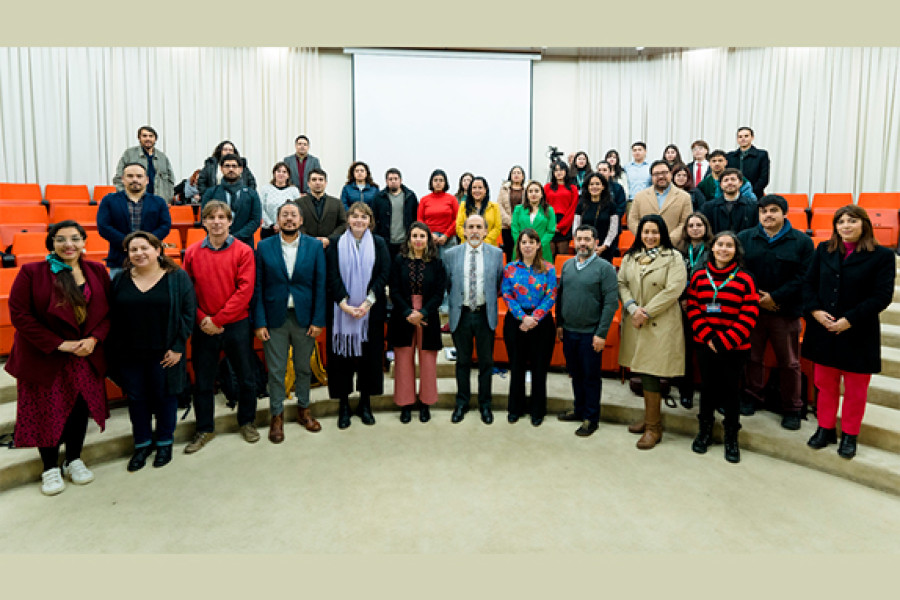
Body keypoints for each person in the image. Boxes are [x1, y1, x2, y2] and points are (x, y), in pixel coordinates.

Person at [6, 221, 111, 495]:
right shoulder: (32, 272)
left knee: (78, 409)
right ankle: (50, 467)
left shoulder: (97, 271)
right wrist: (59, 344)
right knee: (47, 412)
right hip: (47, 355)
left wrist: (94, 339)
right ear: (51, 243)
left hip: (84, 354)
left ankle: (74, 459)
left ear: (84, 241)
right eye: (61, 239)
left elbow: (109, 313)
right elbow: (20, 315)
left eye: (75, 238)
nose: (69, 244)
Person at [802, 205, 895, 459]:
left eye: (851, 221)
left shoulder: (882, 256)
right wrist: (815, 312)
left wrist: (849, 320)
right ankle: (825, 428)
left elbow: (881, 296)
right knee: (824, 384)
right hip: (824, 329)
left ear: (864, 224)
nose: (845, 226)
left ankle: (850, 435)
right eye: (840, 221)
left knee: (855, 390)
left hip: (858, 332)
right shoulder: (824, 250)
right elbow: (808, 284)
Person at [108, 231, 195, 471]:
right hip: (130, 353)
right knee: (137, 400)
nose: (139, 253)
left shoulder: (177, 278)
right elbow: (112, 316)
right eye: (133, 249)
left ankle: (165, 442)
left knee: (165, 397)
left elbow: (187, 315)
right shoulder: (119, 279)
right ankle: (142, 444)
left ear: (157, 250)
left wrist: (178, 347)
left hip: (165, 353)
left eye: (144, 248)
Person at [182, 201, 257, 453]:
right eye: (211, 217)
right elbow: (187, 292)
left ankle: (247, 422)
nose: (216, 222)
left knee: (246, 378)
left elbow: (244, 291)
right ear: (203, 222)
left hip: (235, 324)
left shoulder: (244, 251)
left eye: (221, 217)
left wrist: (218, 320)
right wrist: (204, 318)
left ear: (230, 221)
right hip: (203, 326)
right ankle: (204, 429)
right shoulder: (191, 252)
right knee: (203, 381)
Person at [252, 201, 326, 443]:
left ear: (301, 220)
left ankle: (304, 411)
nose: (289, 219)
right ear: (278, 220)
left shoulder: (314, 246)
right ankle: (277, 416)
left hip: (305, 319)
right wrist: (260, 322)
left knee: (304, 368)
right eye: (285, 215)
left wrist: (318, 320)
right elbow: (258, 287)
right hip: (275, 319)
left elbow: (320, 285)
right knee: (276, 371)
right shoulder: (263, 247)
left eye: (294, 215)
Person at [738, 195, 814, 427]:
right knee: (753, 357)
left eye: (773, 210)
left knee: (789, 362)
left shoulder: (801, 241)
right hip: (753, 309)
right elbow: (739, 270)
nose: (768, 215)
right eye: (763, 211)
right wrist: (758, 298)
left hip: (785, 311)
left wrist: (775, 297)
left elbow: (804, 276)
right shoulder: (745, 237)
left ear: (784, 213)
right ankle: (752, 397)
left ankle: (792, 407)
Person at [685, 231, 759, 463]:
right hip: (705, 344)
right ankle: (704, 432)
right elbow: (693, 307)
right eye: (720, 245)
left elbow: (750, 312)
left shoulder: (745, 278)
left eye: (729, 246)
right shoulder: (698, 276)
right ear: (712, 248)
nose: (724, 249)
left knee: (731, 393)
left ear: (736, 250)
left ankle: (731, 438)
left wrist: (725, 340)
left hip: (734, 347)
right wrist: (709, 337)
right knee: (707, 390)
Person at [618, 215, 687, 450]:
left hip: (660, 321)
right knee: (645, 371)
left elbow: (674, 289)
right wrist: (632, 308)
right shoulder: (631, 256)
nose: (650, 236)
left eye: (654, 232)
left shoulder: (674, 257)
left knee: (653, 372)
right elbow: (622, 284)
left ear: (663, 233)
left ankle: (654, 428)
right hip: (637, 320)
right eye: (646, 232)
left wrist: (645, 312)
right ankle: (649, 419)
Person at [326, 202, 390, 429]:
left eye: (364, 217)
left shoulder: (379, 243)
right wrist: (344, 304)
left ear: (370, 220)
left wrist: (368, 302)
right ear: (348, 220)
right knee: (341, 361)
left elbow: (384, 273)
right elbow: (331, 275)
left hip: (370, 312)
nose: (359, 221)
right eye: (355, 216)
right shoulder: (334, 243)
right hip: (341, 312)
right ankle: (343, 406)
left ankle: (365, 404)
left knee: (368, 360)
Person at [556, 225, 619, 436]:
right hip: (569, 331)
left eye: (587, 239)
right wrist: (560, 324)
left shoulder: (605, 268)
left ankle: (591, 418)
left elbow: (610, 304)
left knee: (590, 377)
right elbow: (561, 296)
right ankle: (579, 409)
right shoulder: (567, 265)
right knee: (575, 374)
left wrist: (601, 334)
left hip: (591, 333)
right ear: (574, 241)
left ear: (596, 242)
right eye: (579, 239)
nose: (583, 243)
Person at [444, 214, 504, 425]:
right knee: (462, 362)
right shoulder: (451, 254)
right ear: (464, 231)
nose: (475, 231)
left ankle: (485, 405)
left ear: (486, 231)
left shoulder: (496, 254)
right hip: (461, 315)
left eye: (479, 227)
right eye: (471, 227)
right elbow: (449, 285)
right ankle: (462, 403)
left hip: (484, 314)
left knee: (486, 362)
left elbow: (497, 283)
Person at [389, 222, 447, 423]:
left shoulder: (437, 263)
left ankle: (425, 403)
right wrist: (408, 312)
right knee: (404, 361)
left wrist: (422, 312)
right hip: (403, 314)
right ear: (409, 239)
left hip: (427, 316)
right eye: (414, 236)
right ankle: (406, 404)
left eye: (422, 236)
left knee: (428, 363)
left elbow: (440, 293)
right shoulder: (399, 261)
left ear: (428, 239)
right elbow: (394, 290)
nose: (418, 240)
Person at [502, 229, 558, 426]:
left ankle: (537, 410)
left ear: (537, 245)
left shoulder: (548, 269)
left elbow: (551, 296)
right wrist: (522, 318)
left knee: (539, 368)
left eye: (531, 242)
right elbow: (507, 294)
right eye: (524, 242)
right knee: (516, 366)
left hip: (541, 324)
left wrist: (534, 318)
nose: (527, 245)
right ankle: (515, 409)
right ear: (519, 245)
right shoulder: (510, 268)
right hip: (516, 322)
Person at [97, 162, 172, 277]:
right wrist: (128, 243)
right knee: (118, 294)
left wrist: (145, 244)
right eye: (130, 176)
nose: (135, 179)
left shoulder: (159, 202)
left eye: (139, 176)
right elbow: (104, 227)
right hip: (119, 261)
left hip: (150, 259)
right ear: (123, 179)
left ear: (147, 180)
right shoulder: (109, 200)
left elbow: (165, 225)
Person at [675, 212, 713, 409]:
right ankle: (685, 391)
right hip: (682, 306)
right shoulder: (679, 250)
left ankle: (713, 395)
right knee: (685, 351)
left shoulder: (714, 249)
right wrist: (683, 297)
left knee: (707, 353)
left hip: (706, 307)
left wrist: (693, 298)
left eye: (699, 224)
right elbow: (674, 277)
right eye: (691, 225)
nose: (695, 228)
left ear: (706, 227)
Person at [200, 153, 262, 249]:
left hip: (244, 244)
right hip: (216, 244)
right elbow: (204, 218)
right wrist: (222, 236)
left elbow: (255, 221)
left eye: (234, 166)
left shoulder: (251, 194)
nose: (231, 169)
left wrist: (235, 237)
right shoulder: (211, 193)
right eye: (227, 166)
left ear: (240, 169)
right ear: (221, 168)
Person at [628, 160, 693, 246]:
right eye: (656, 174)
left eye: (664, 172)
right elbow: (632, 221)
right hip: (645, 247)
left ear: (670, 174)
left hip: (674, 247)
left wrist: (668, 240)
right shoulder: (640, 196)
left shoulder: (684, 197)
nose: (661, 176)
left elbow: (685, 222)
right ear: (651, 177)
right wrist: (646, 238)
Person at [113, 125, 175, 202]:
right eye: (144, 136)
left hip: (157, 202)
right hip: (135, 202)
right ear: (139, 138)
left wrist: (167, 199)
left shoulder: (163, 157)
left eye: (151, 136)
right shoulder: (129, 154)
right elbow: (118, 178)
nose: (148, 139)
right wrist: (127, 197)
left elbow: (170, 181)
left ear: (155, 139)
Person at [372, 167, 419, 261]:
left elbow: (416, 217)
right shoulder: (379, 198)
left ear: (401, 180)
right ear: (386, 181)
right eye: (390, 179)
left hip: (405, 241)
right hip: (386, 241)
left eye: (396, 179)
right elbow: (373, 218)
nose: (393, 181)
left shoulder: (410, 196)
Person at [297, 168, 347, 250]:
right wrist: (311, 240)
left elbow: (343, 223)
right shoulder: (298, 203)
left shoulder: (337, 203)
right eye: (314, 180)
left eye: (321, 179)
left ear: (326, 183)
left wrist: (329, 239)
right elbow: (297, 224)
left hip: (330, 247)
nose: (317, 182)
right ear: (308, 183)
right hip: (306, 247)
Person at [572, 172, 617, 261]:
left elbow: (613, 229)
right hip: (584, 248)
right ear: (588, 187)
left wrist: (604, 246)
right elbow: (576, 226)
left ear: (603, 186)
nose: (594, 187)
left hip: (604, 249)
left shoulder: (611, 205)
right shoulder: (581, 204)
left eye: (597, 184)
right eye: (591, 184)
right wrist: (580, 242)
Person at [701, 168, 759, 234]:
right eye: (726, 180)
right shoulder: (709, 208)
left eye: (733, 179)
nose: (729, 183)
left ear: (740, 183)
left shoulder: (753, 207)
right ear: (721, 185)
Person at [510, 181, 556, 263]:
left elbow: (550, 231)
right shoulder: (518, 209)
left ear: (542, 194)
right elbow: (514, 228)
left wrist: (538, 245)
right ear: (526, 194)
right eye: (530, 191)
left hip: (542, 249)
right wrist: (522, 244)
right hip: (521, 250)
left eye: (536, 191)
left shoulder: (549, 210)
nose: (533, 194)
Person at [544, 160, 578, 256]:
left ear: (566, 171)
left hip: (565, 225)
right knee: (549, 256)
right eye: (556, 170)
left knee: (562, 256)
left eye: (561, 170)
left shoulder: (573, 188)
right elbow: (543, 206)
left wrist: (560, 226)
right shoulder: (547, 187)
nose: (559, 172)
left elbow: (573, 209)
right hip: (550, 223)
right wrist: (551, 225)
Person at [258, 162, 301, 239]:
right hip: (268, 229)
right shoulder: (266, 189)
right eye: (278, 171)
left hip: (288, 229)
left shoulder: (294, 190)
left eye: (284, 172)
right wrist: (272, 225)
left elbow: (298, 210)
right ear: (274, 174)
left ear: (288, 175)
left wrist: (283, 224)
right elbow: (261, 208)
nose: (281, 174)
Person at [455, 176, 501, 246]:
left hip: (488, 246)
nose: (477, 190)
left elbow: (497, 228)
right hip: (467, 244)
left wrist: (484, 242)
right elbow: (459, 226)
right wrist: (469, 240)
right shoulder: (463, 206)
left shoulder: (494, 207)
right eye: (474, 188)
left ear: (486, 190)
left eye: (480, 188)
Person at [726, 127, 770, 199]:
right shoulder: (730, 156)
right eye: (740, 137)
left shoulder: (761, 155)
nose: (743, 139)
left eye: (746, 136)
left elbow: (764, 178)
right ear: (737, 139)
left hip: (754, 195)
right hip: (733, 195)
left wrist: (750, 191)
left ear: (752, 137)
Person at [497, 165, 527, 261]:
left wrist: (518, 223)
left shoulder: (527, 189)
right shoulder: (504, 189)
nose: (516, 175)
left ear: (523, 176)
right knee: (509, 252)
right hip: (507, 226)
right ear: (510, 176)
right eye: (514, 173)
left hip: (522, 226)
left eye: (519, 173)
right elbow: (499, 206)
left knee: (522, 251)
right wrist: (510, 222)